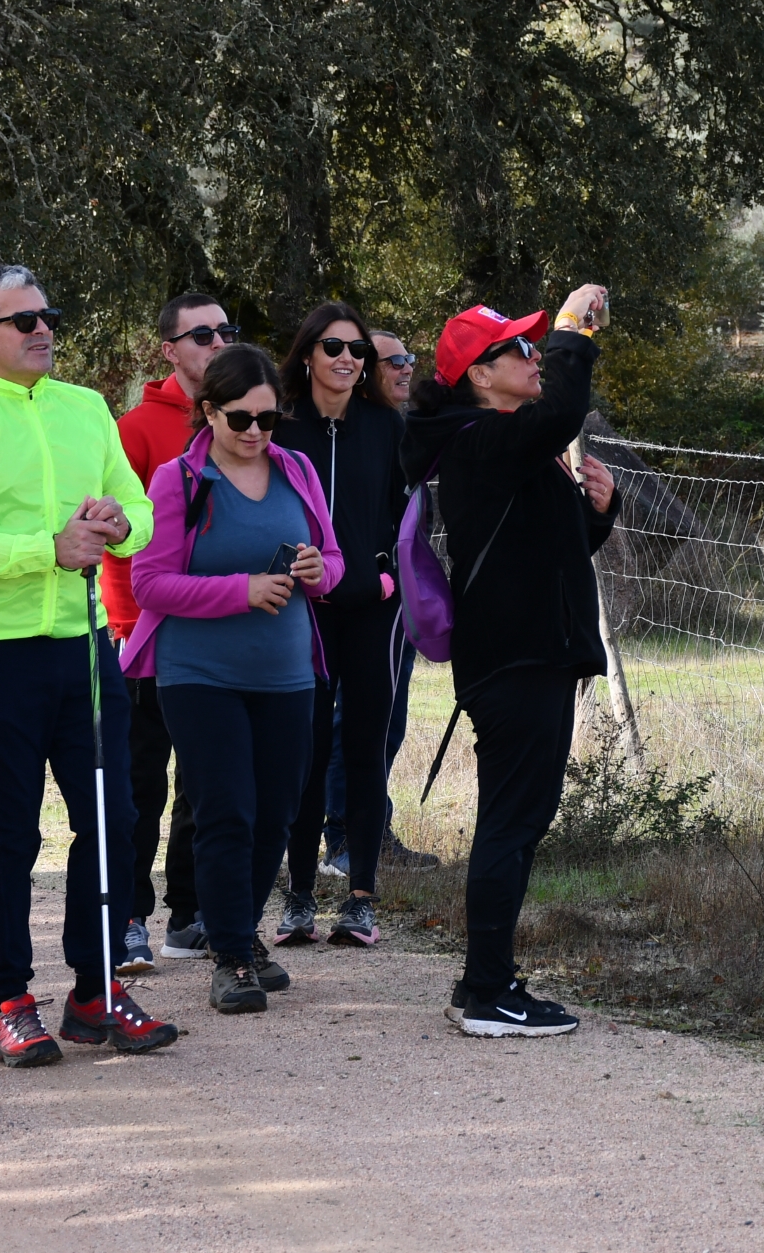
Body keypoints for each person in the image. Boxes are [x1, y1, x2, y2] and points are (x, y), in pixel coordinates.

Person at [0, 263, 178, 1065]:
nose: (42, 329)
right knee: (12, 826)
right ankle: (11, 998)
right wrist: (44, 549)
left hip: (83, 644)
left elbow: (142, 509)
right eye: (22, 319)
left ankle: (96, 990)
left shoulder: (85, 407)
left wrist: (121, 521)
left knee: (113, 818)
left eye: (47, 315)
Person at [402, 284, 620, 1037]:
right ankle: (488, 992)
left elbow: (556, 551)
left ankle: (485, 983)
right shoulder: (480, 440)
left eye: (536, 345)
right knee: (510, 824)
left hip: (531, 656)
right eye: (517, 350)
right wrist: (572, 331)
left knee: (518, 821)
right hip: (516, 661)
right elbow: (561, 412)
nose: (533, 358)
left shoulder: (502, 444)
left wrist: (599, 513)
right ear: (479, 375)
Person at [121, 345, 342, 1013]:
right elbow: (149, 583)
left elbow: (334, 563)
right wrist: (240, 590)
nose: (254, 431)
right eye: (240, 418)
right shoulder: (178, 480)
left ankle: (241, 932)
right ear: (208, 411)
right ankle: (231, 955)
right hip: (199, 675)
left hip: (286, 674)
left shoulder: (297, 469)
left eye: (268, 419)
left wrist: (318, 571)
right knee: (225, 812)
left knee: (275, 813)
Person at [102, 292, 238, 970]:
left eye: (225, 331)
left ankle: (189, 915)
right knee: (139, 783)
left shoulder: (239, 424)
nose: (217, 343)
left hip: (218, 635)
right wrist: (127, 626)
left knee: (204, 783)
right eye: (201, 334)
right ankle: (129, 917)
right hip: (145, 637)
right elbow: (115, 537)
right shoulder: (135, 428)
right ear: (169, 350)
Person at [273, 304, 408, 949]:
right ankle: (298, 896)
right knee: (303, 750)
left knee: (365, 745)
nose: (347, 359)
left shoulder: (386, 425)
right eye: (333, 347)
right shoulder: (280, 425)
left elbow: (408, 516)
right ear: (308, 354)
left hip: (372, 609)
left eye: (358, 350)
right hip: (302, 610)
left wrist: (387, 575)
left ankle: (360, 900)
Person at [319, 330, 439, 873]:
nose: (406, 368)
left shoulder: (400, 429)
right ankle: (342, 839)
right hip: (352, 600)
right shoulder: (345, 435)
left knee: (387, 721)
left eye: (409, 359)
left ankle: (371, 831)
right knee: (352, 722)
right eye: (393, 361)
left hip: (398, 602)